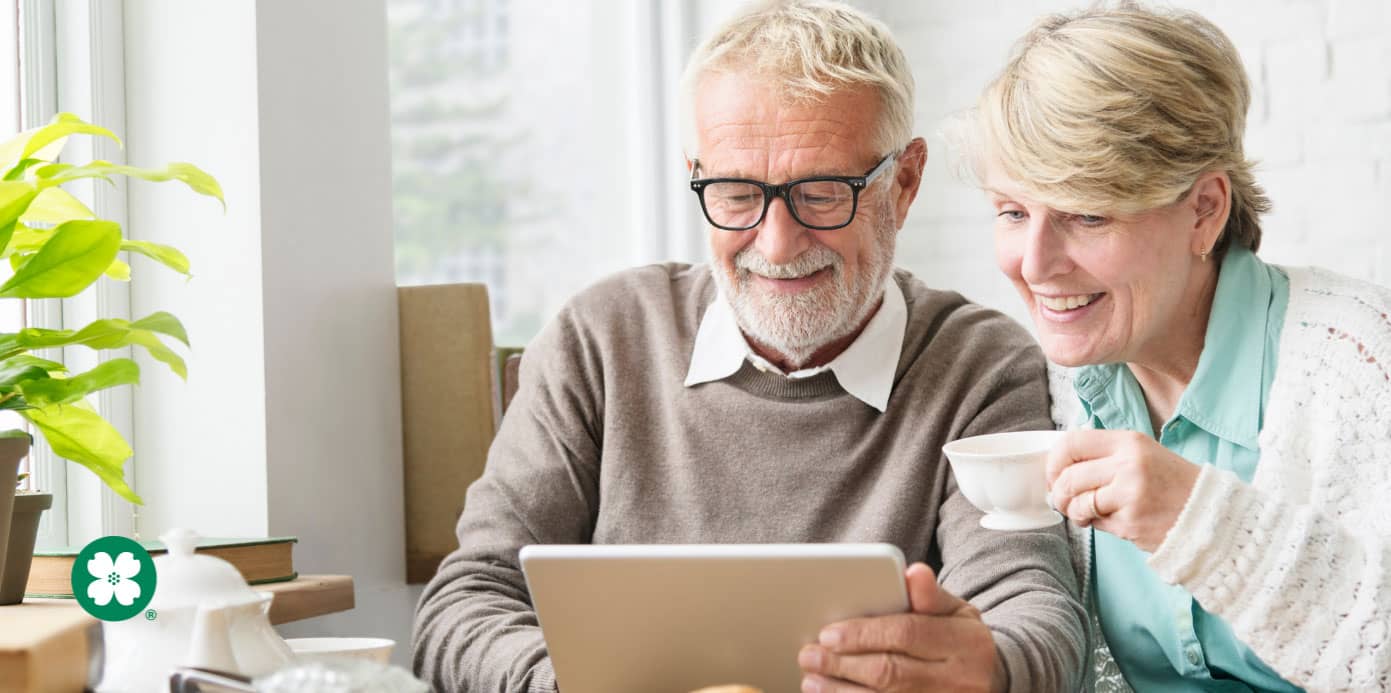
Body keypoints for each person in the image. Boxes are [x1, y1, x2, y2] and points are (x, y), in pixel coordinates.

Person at [413, 2, 1086, 692]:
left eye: (822, 194)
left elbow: (1033, 615)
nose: (775, 243)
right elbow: (461, 606)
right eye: (735, 193)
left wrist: (991, 671)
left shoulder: (979, 365)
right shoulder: (602, 339)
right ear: (695, 173)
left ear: (903, 183)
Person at [958, 3, 1391, 691]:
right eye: (1012, 211)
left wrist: (1202, 523)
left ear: (1204, 210)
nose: (1034, 264)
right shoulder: (1055, 388)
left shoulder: (1360, 361)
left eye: (1086, 213)